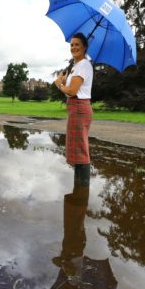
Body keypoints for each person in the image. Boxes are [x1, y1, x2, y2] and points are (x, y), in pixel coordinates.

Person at [53, 33, 93, 186]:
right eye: (72, 44)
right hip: (75, 108)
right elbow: (70, 87)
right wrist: (64, 79)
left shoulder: (84, 64)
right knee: (77, 149)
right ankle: (79, 187)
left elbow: (72, 91)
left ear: (84, 47)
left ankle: (82, 190)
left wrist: (59, 85)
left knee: (80, 149)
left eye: (77, 44)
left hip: (79, 107)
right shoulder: (76, 66)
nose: (74, 47)